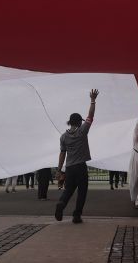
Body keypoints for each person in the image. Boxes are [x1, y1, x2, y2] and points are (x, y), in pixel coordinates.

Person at [55, 89, 99, 224]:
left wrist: (59, 170)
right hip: (80, 167)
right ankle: (76, 215)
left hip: (69, 168)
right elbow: (90, 116)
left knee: (68, 190)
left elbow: (62, 153)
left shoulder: (63, 136)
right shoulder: (82, 131)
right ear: (79, 122)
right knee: (82, 191)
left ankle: (61, 203)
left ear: (69, 122)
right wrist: (92, 100)